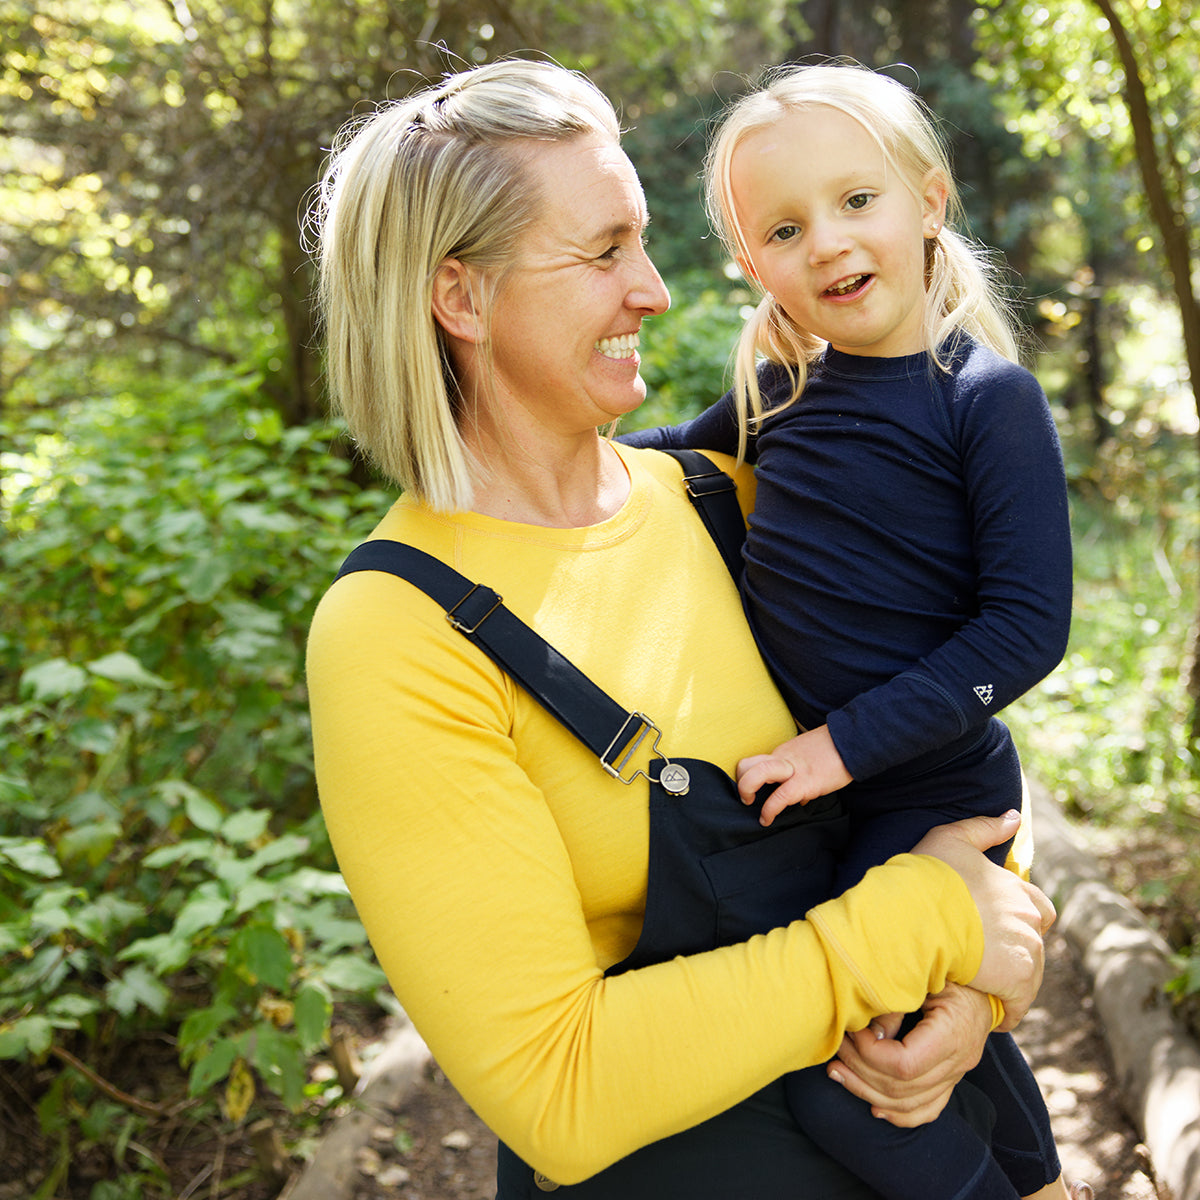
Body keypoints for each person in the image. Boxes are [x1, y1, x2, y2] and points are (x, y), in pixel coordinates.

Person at [304, 57, 1057, 1199]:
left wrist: (975, 1000)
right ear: (460, 298)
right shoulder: (397, 635)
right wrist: (925, 926)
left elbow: (946, 747)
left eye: (645, 242)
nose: (655, 291)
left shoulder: (719, 494)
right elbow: (554, 1092)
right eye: (605, 252)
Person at [621, 62, 1076, 1200]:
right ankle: (1039, 1182)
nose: (825, 243)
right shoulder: (783, 395)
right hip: (831, 802)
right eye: (785, 227)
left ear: (928, 201)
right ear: (751, 266)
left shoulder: (985, 400)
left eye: (855, 201)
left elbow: (1026, 628)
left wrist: (841, 747)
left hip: (926, 787)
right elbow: (659, 464)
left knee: (844, 1071)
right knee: (925, 1035)